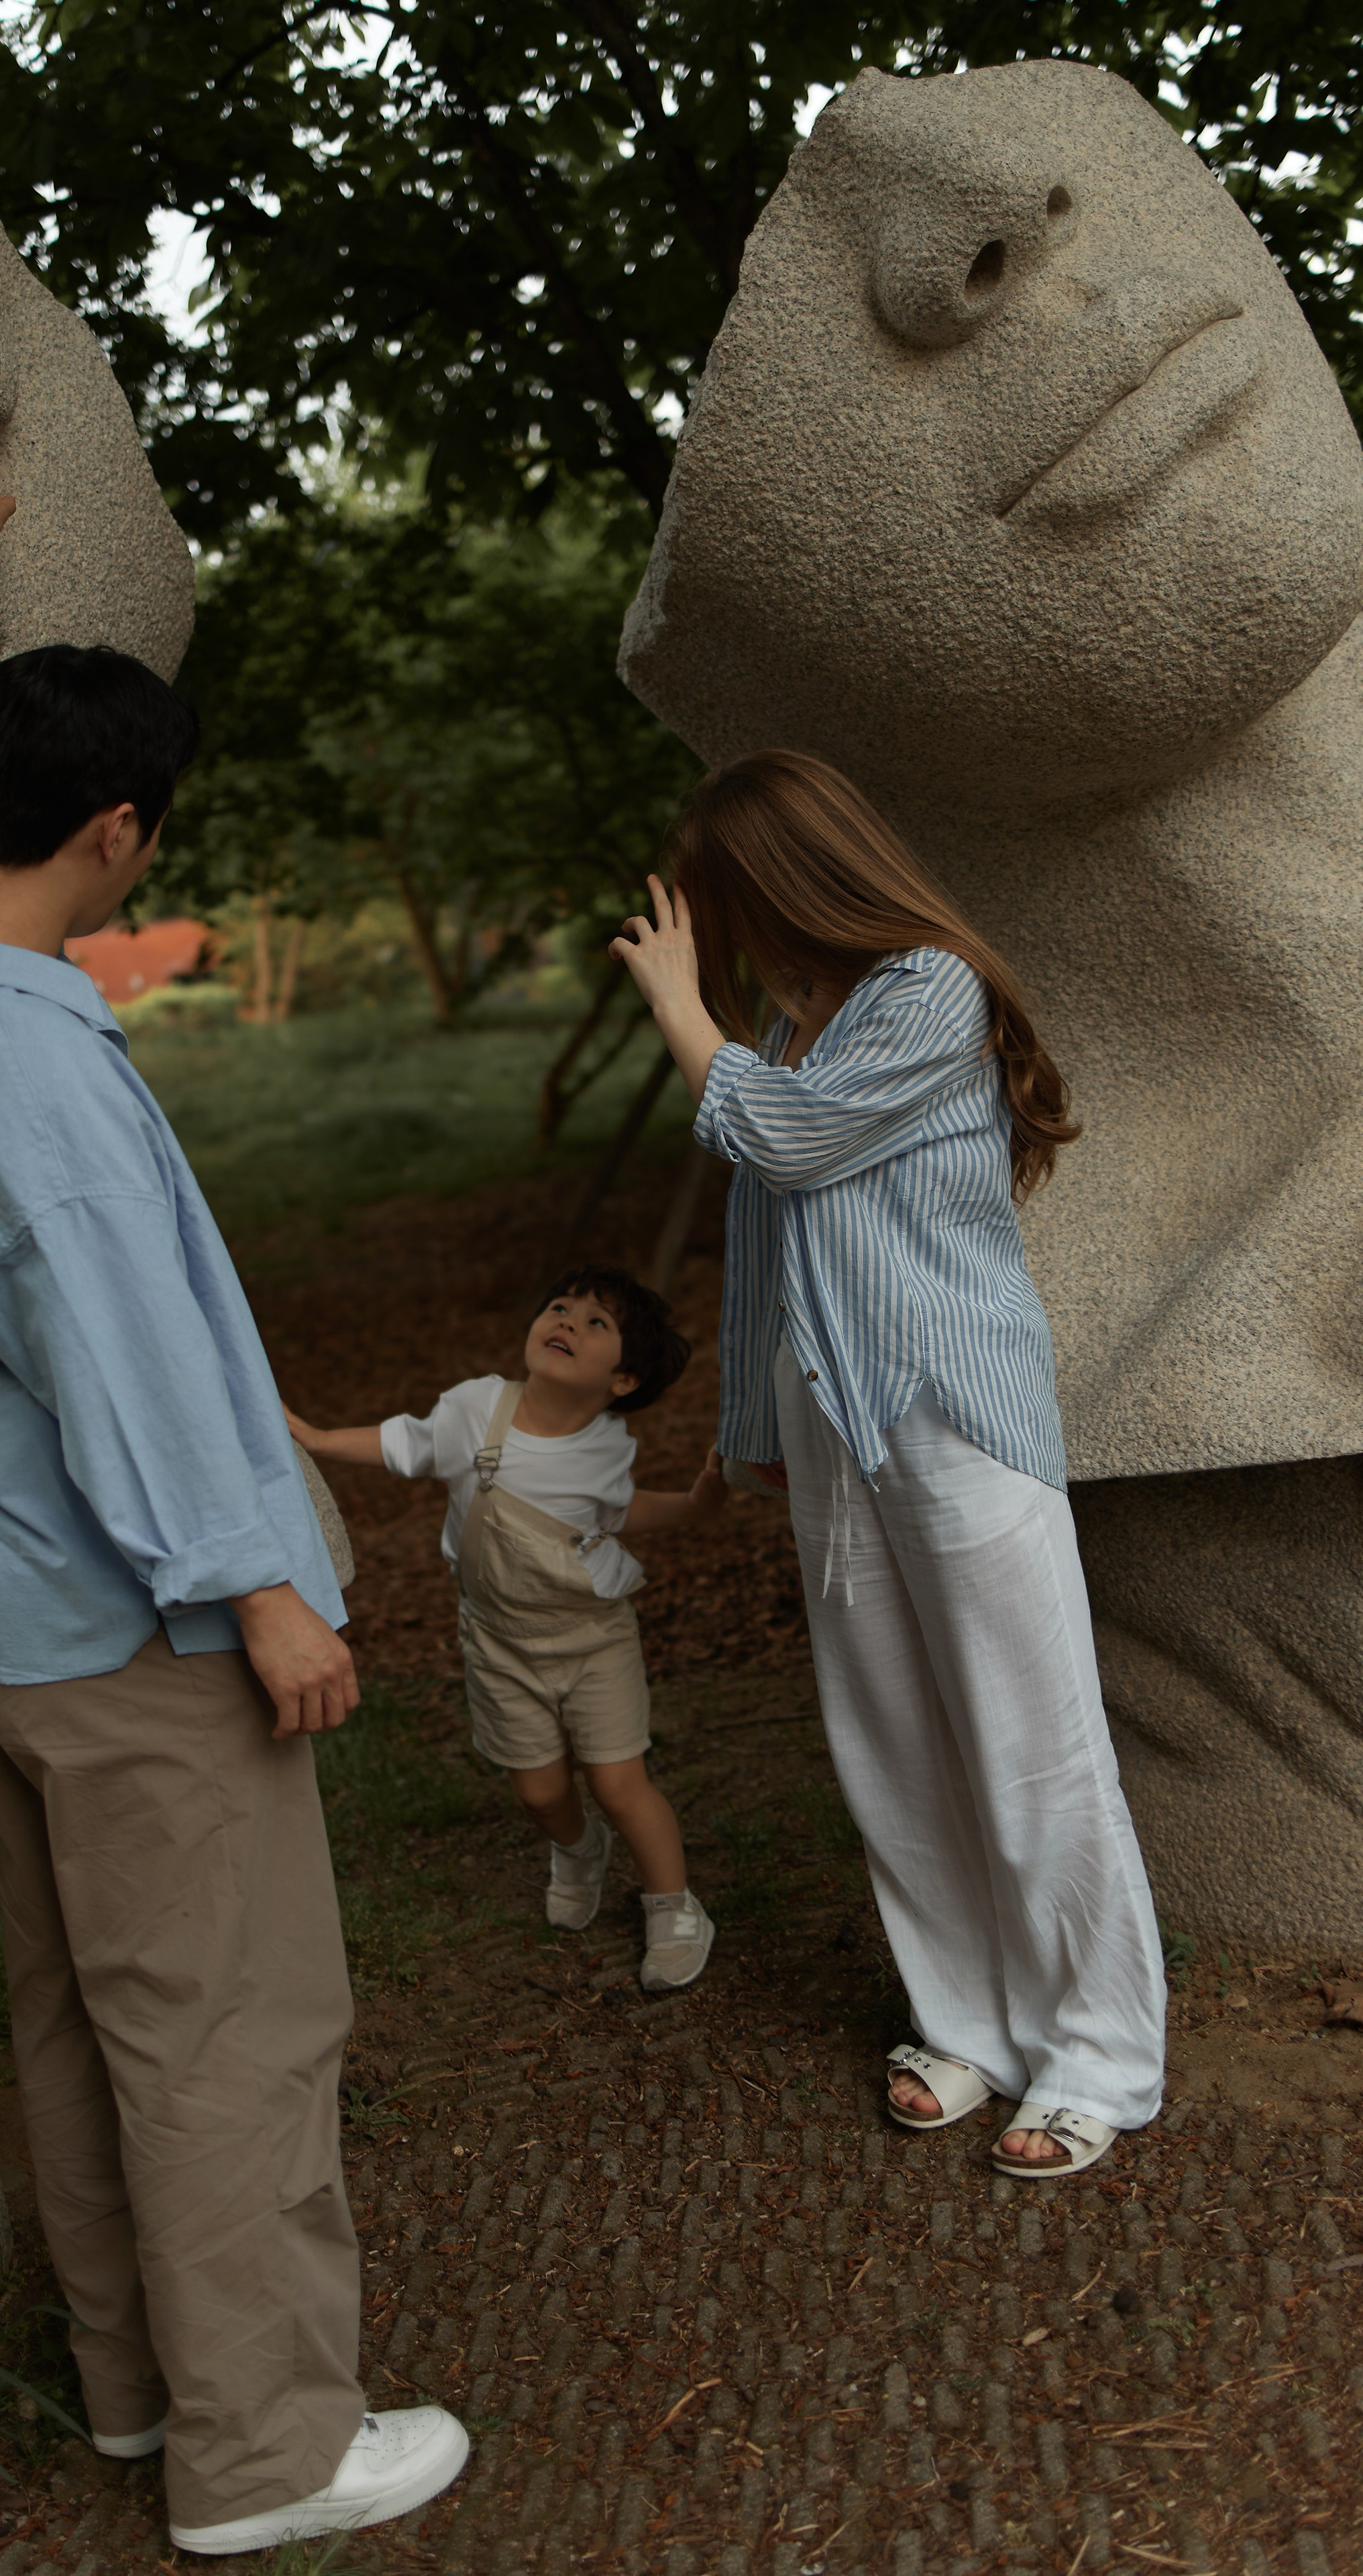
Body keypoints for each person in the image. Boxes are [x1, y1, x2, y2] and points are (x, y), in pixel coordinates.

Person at [0, 419, 469, 2555]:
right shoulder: (32, 1081)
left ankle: (127, 2384)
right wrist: (265, 1592)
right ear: (109, 830)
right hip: (122, 1627)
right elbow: (130, 1367)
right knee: (232, 2028)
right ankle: (265, 2448)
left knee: (86, 2004)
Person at [610, 749, 1166, 2178]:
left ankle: (1094, 2055)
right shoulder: (796, 1034)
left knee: (1028, 1740)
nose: (714, 936)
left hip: (953, 1416)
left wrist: (679, 1009)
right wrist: (748, 1434)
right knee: (889, 1741)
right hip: (828, 1430)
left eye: (725, 902)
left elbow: (780, 1150)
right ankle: (966, 2025)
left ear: (784, 882)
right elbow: (761, 1253)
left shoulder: (926, 989)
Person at [286, 1265, 726, 1991]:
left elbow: (616, 1514)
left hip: (591, 1640)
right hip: (497, 1641)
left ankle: (675, 1907)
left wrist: (694, 1506)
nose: (567, 1322)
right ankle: (579, 1851)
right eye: (560, 1307)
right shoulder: (475, 1408)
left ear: (621, 1380)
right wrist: (318, 1438)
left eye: (596, 1323)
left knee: (618, 1783)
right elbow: (408, 1445)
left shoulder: (605, 1450)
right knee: (538, 1793)